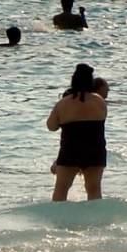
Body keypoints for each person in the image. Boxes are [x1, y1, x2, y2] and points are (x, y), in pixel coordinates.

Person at [46, 63, 107, 200]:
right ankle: (96, 220)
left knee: (61, 190)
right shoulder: (99, 102)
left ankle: (59, 220)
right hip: (95, 151)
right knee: (94, 190)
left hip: (70, 151)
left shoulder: (63, 104)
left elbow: (51, 126)